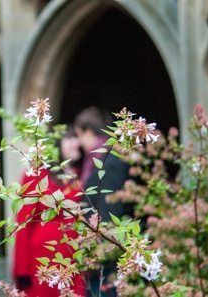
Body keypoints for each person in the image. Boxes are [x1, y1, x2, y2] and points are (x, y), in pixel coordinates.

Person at [13, 130, 86, 296]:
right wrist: (21, 268)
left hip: (75, 258)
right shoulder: (37, 175)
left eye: (76, 137)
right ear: (56, 144)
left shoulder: (83, 173)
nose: (75, 143)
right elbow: (24, 222)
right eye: (69, 137)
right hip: (43, 258)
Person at [73, 107, 131, 296]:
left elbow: (109, 213)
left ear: (88, 132)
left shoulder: (108, 161)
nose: (79, 143)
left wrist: (97, 254)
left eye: (79, 135)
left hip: (109, 260)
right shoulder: (99, 159)